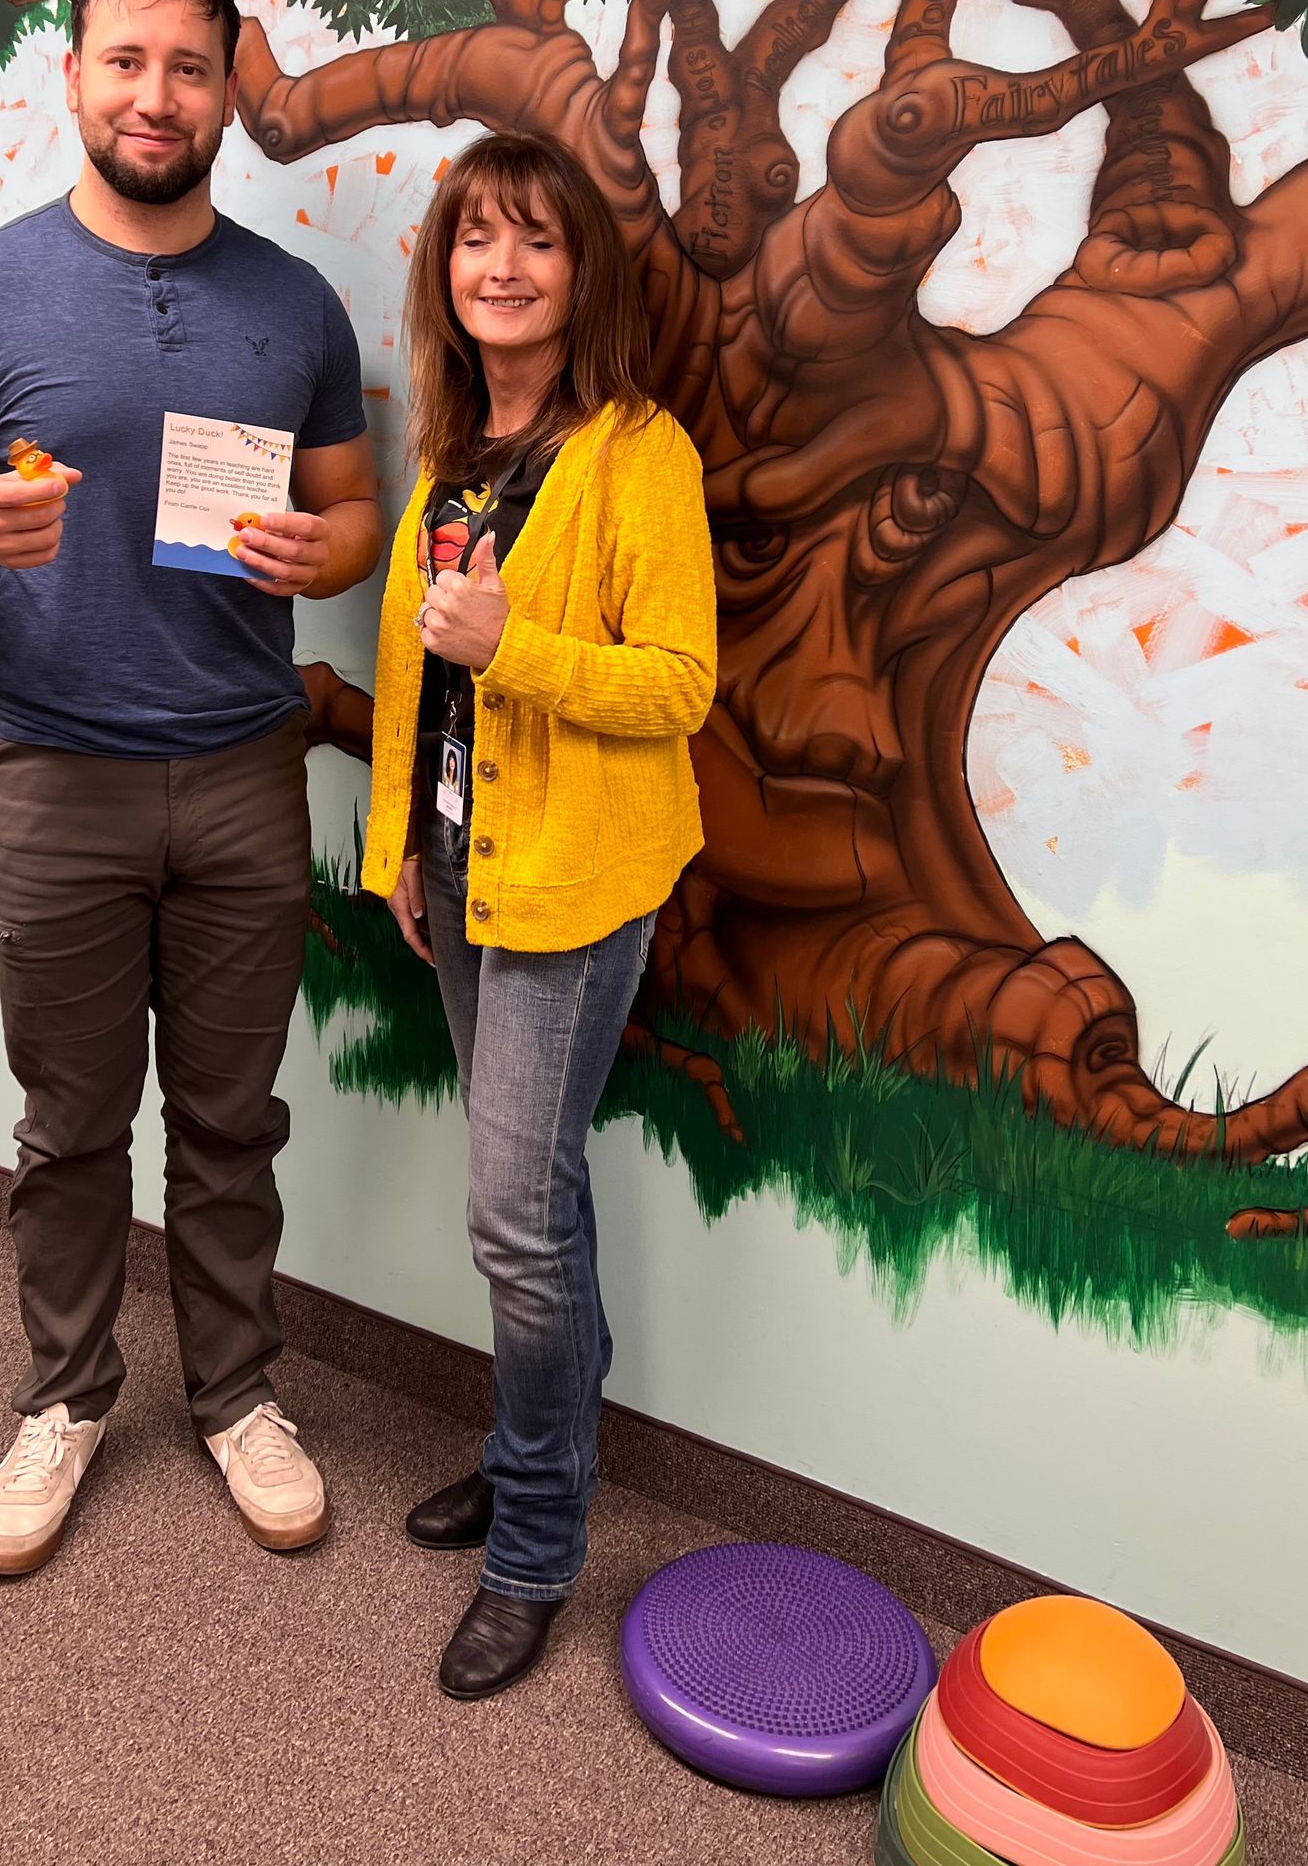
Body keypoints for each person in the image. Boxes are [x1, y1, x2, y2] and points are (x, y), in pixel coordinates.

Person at [0, 0, 381, 1575]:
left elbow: (359, 514)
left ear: (228, 91)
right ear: (73, 77)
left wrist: (325, 556)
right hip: (55, 777)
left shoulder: (295, 303)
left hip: (242, 773)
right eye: (125, 61)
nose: (156, 95)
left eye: (190, 67)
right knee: (72, 1127)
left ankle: (235, 1396)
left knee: (232, 1124)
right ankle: (68, 1399)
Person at [362, 132, 716, 1699]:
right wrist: (395, 849)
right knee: (532, 1202)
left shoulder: (639, 455)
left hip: (576, 880)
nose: (501, 269)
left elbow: (680, 688)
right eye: (474, 242)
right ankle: (530, 1451)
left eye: (537, 243)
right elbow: (409, 680)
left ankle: (538, 1541)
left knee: (514, 1213)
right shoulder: (450, 455)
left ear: (583, 273)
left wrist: (524, 651)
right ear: (446, 273)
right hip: (461, 867)